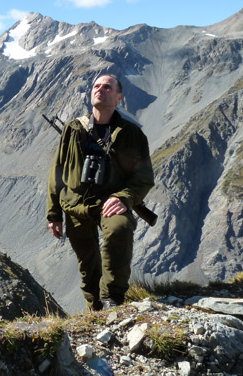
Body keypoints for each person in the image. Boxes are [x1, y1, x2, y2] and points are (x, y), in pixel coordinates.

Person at [46, 74, 154, 311]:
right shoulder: (74, 128)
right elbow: (58, 170)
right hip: (75, 204)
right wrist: (53, 214)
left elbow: (144, 177)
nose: (100, 90)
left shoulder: (131, 134)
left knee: (119, 229)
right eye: (96, 86)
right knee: (88, 265)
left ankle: (112, 299)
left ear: (118, 98)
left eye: (107, 87)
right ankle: (95, 311)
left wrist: (124, 197)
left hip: (110, 202)